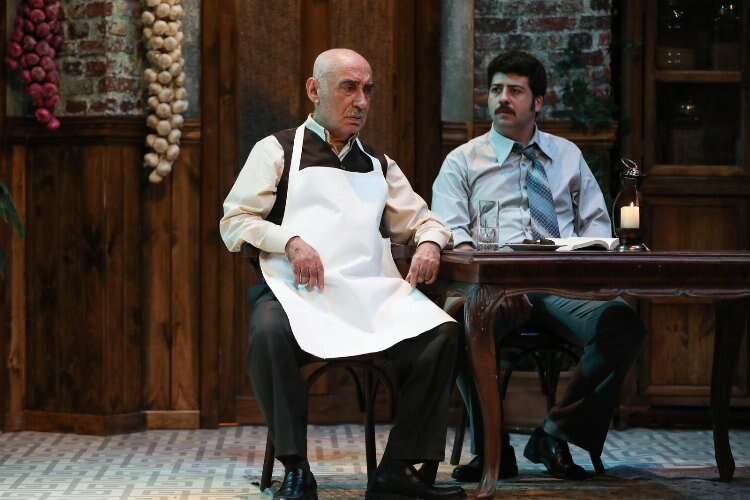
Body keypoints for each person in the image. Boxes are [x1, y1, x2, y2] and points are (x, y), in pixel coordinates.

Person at [221, 48, 465, 500]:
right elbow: (234, 221)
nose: (361, 101)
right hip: (294, 293)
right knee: (267, 332)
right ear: (315, 90)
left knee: (442, 334)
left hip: (368, 295)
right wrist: (289, 241)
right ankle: (296, 468)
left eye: (368, 90)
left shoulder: (378, 164)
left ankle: (397, 469)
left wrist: (430, 242)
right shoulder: (277, 150)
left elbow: (425, 221)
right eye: (349, 88)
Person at [432, 51, 646, 481]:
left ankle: (557, 434)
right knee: (459, 325)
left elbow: (597, 227)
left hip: (563, 287)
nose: (502, 99)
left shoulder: (567, 156)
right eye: (496, 90)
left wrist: (589, 266)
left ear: (539, 102)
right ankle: (492, 450)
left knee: (622, 322)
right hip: (495, 288)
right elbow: (454, 236)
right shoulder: (462, 161)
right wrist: (494, 283)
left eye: (515, 91)